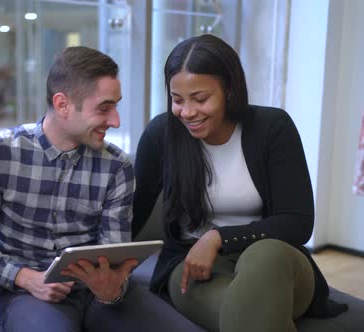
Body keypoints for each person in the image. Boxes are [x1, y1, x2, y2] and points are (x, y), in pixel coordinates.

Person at [0, 46, 201, 332]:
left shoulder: (117, 167)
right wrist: (24, 277)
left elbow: (114, 251)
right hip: (28, 293)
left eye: (116, 106)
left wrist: (114, 288)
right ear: (62, 105)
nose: (116, 121)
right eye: (104, 108)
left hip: (101, 295)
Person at [132, 34, 347, 331]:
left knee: (266, 255)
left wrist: (218, 237)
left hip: (276, 261)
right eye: (177, 99)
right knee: (252, 316)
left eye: (200, 98)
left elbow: (297, 223)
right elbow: (133, 213)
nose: (187, 112)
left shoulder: (273, 128)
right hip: (194, 264)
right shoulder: (161, 135)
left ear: (230, 90)